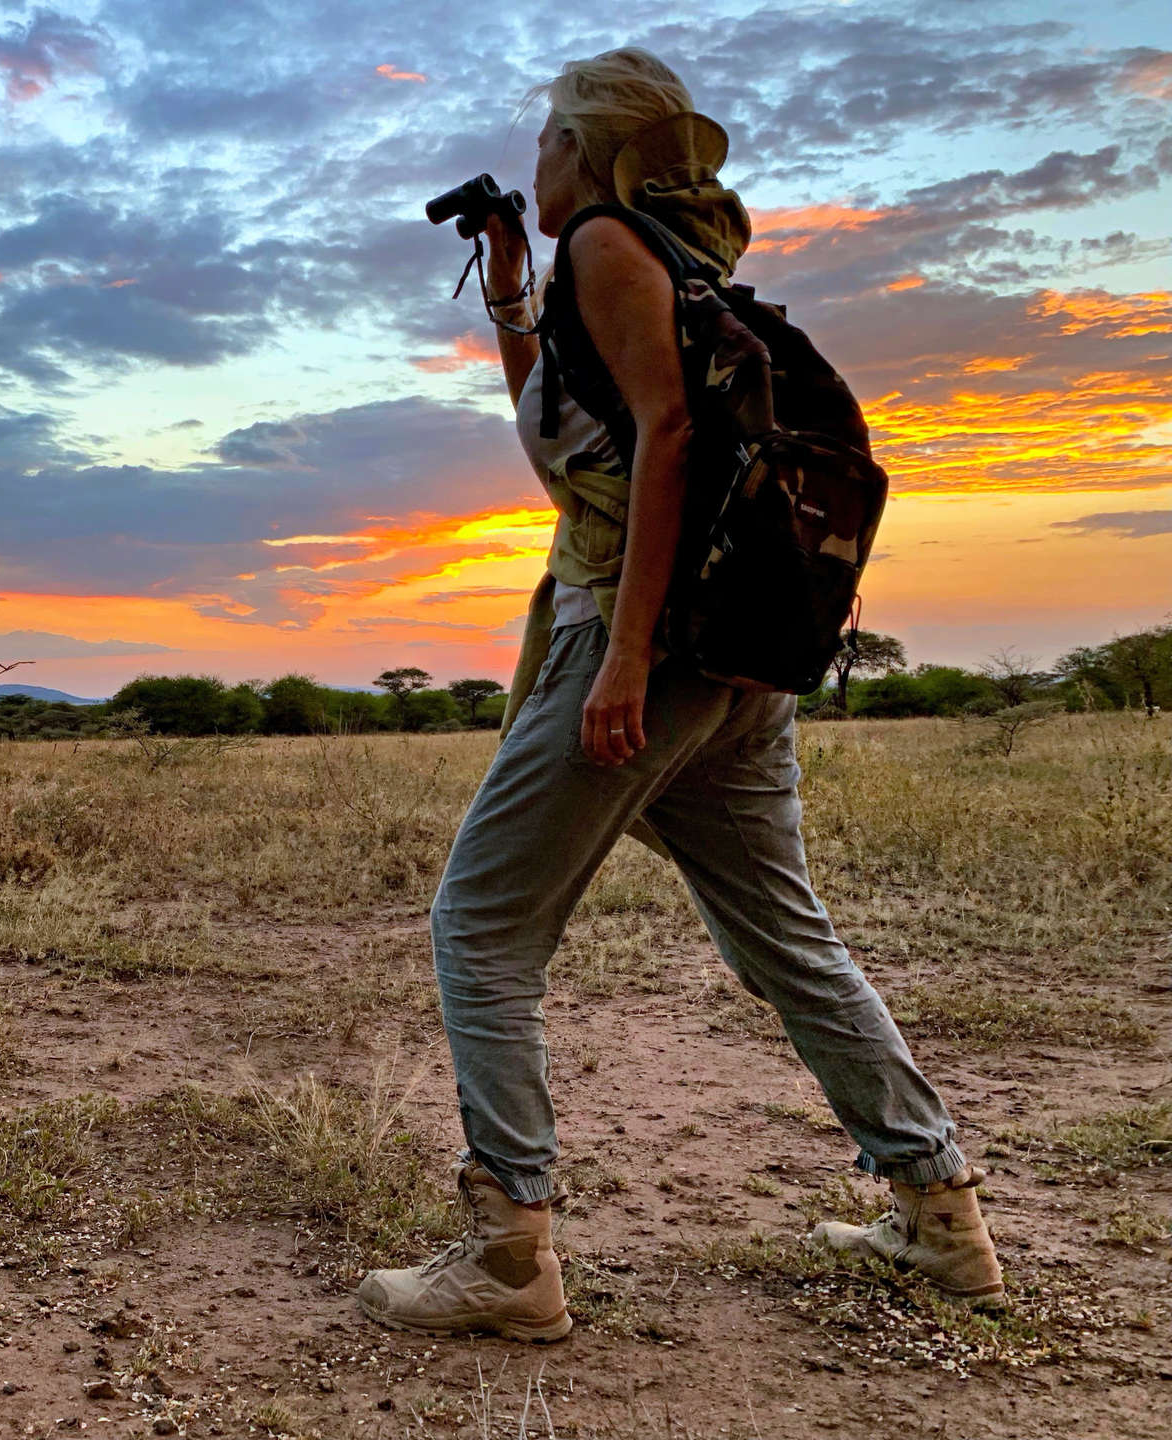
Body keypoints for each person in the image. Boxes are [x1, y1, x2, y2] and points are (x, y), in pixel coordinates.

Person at [355, 47, 1004, 1343]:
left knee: (480, 932)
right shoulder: (664, 264)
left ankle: (508, 1250)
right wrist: (505, 296)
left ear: (589, 153)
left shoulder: (604, 239)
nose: (532, 160)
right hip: (739, 665)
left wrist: (624, 659)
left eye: (546, 139)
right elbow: (581, 441)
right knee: (784, 935)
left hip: (646, 647)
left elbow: (667, 439)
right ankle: (943, 1218)